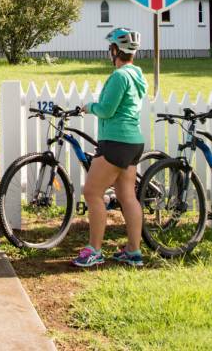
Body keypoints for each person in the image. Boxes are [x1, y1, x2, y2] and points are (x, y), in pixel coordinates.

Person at [72, 27, 148, 268]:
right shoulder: (138, 75)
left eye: (110, 49)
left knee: (92, 193)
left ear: (115, 50)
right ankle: (133, 252)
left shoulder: (119, 76)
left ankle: (94, 250)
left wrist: (89, 107)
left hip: (116, 141)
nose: (109, 52)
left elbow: (107, 110)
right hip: (133, 142)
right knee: (127, 196)